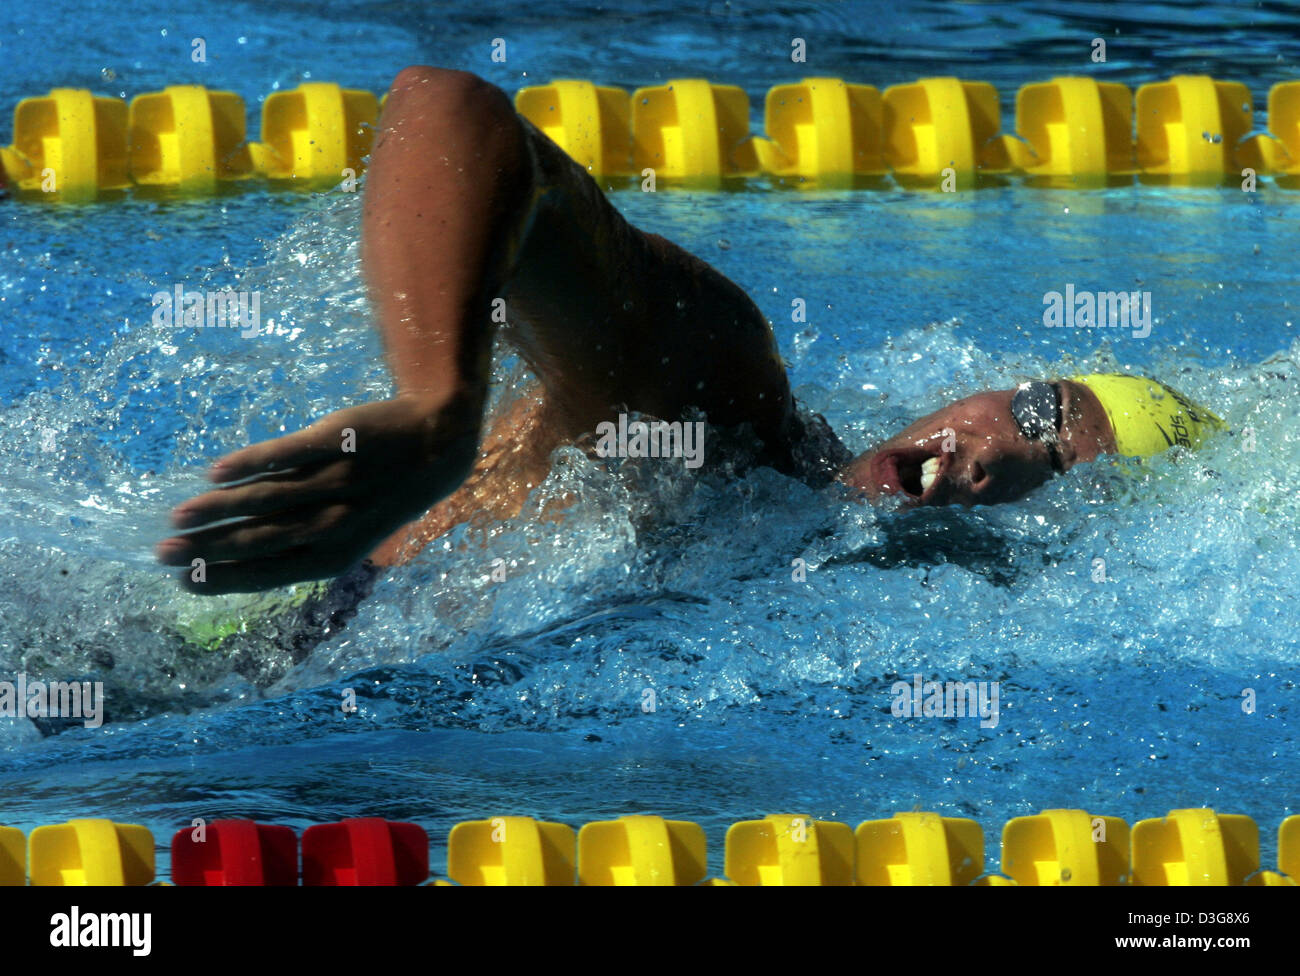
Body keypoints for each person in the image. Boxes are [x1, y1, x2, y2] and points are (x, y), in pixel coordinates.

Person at [155, 67, 1225, 596]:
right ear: (982, 387)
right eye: (1037, 412)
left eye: (1052, 473)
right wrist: (438, 402)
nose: (995, 456)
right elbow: (449, 111)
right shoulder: (725, 401)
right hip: (202, 623)